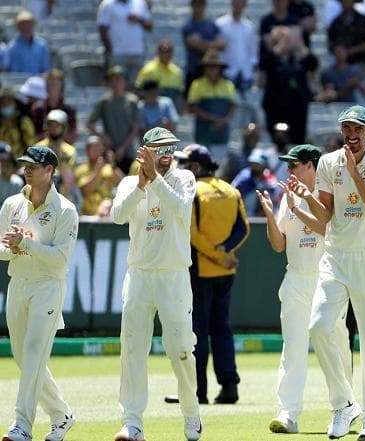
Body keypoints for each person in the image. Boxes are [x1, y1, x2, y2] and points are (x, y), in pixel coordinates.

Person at [299, 105, 365, 441]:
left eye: (358, 129)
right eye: (346, 129)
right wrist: (306, 199)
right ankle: (344, 404)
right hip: (336, 257)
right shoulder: (327, 162)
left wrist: (354, 172)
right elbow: (325, 215)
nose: (351, 135)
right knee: (318, 327)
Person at [110, 127, 202, 441]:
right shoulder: (128, 182)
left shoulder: (184, 178)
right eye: (159, 150)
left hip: (173, 276)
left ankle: (191, 413)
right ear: (145, 151)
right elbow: (118, 215)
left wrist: (156, 179)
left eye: (169, 150)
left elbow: (181, 208)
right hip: (138, 276)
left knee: (180, 350)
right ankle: (132, 422)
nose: (165, 156)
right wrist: (141, 182)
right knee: (133, 348)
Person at [260, 144, 351, 434]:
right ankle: (288, 413)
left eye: (294, 165)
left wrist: (299, 205)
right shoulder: (286, 198)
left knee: (337, 344)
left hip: (328, 279)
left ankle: (346, 406)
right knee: (293, 347)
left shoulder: (331, 193)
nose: (289, 171)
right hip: (296, 278)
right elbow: (278, 245)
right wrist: (268, 216)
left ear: (311, 166)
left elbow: (328, 229)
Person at [0, 146, 77, 441]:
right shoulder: (11, 204)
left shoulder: (66, 210)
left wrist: (26, 244)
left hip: (48, 286)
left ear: (50, 171)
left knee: (33, 356)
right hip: (18, 284)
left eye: (34, 165)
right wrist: (14, 247)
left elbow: (60, 259)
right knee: (24, 358)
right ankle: (62, 415)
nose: (27, 169)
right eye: (25, 165)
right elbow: (4, 249)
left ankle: (22, 426)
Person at [169, 144, 250, 406]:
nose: (180, 169)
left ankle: (197, 391)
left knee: (198, 331)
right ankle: (229, 387)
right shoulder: (231, 190)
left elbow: (191, 234)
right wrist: (225, 252)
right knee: (222, 328)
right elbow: (243, 229)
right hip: (226, 270)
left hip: (200, 270)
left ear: (195, 167)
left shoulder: (192, 192)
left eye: (184, 164)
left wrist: (216, 253)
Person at [86, 66, 139, 175]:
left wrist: (123, 148)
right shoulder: (105, 101)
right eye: (113, 80)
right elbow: (90, 124)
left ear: (125, 82)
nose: (116, 83)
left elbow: (135, 128)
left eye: (119, 80)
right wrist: (103, 137)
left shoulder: (132, 101)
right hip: (109, 150)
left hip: (127, 151)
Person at [187, 50, 236, 161]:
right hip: (203, 132)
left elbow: (233, 107)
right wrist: (212, 118)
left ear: (220, 68)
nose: (212, 70)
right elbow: (193, 107)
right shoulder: (197, 84)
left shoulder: (228, 85)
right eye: (209, 67)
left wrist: (224, 120)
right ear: (204, 68)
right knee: (201, 163)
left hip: (222, 132)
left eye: (215, 67)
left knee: (220, 163)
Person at [97, 0, 153, 82]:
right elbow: (102, 28)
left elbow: (150, 26)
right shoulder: (108, 4)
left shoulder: (140, 3)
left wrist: (139, 20)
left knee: (135, 87)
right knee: (118, 86)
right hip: (117, 54)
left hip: (137, 54)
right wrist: (110, 51)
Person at [182, 0, 226, 95]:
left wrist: (201, 43)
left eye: (201, 4)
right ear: (192, 6)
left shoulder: (211, 25)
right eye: (196, 4)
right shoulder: (188, 26)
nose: (199, 8)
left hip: (211, 72)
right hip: (194, 70)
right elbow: (194, 45)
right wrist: (213, 45)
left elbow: (222, 44)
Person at [74, 136, 124, 217]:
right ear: (87, 151)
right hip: (88, 214)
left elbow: (122, 183)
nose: (97, 151)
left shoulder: (109, 168)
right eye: (94, 148)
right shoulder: (81, 169)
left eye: (99, 148)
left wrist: (113, 164)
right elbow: (85, 191)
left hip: (107, 212)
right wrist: (97, 171)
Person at [135, 39, 184, 104]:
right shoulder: (148, 69)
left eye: (169, 51)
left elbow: (179, 94)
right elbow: (138, 90)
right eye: (164, 51)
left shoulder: (177, 71)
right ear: (158, 52)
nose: (166, 54)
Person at [6, 10, 49, 75]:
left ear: (33, 25)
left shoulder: (42, 45)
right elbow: (14, 72)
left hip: (39, 82)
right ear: (18, 27)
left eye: (29, 24)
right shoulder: (12, 47)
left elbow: (45, 69)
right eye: (23, 24)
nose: (26, 27)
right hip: (19, 83)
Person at [0, 142, 24, 207]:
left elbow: (17, 205)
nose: (4, 166)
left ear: (13, 167)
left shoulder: (18, 182)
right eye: (2, 162)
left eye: (8, 163)